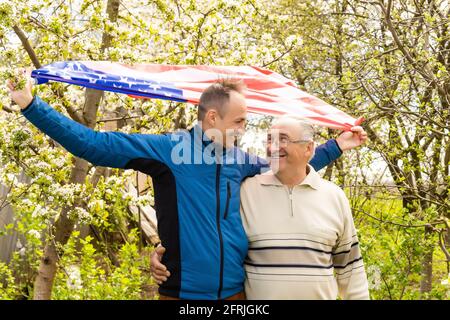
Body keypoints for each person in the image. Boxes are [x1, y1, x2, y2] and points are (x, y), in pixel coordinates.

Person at [7, 70, 367, 299]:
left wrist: (336, 145)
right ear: (213, 117)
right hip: (183, 297)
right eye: (240, 121)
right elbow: (94, 146)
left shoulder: (239, 161)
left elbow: (288, 166)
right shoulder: (167, 151)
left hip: (238, 299)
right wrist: (32, 106)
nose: (244, 129)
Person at [153, 116, 370, 300]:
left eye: (282, 139)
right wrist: (166, 249)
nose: (272, 147)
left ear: (309, 148)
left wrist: (337, 145)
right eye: (269, 140)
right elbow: (205, 226)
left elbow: (350, 270)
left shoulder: (334, 197)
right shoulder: (245, 191)